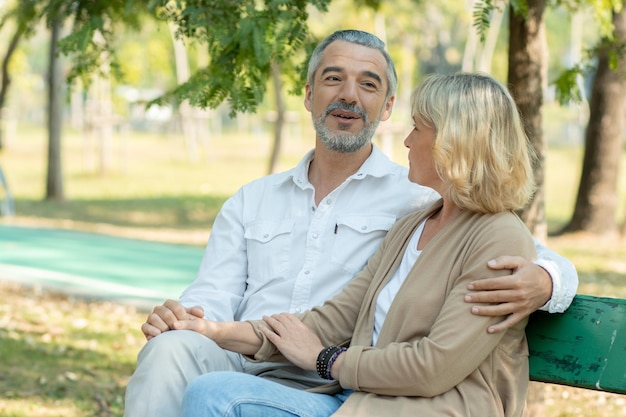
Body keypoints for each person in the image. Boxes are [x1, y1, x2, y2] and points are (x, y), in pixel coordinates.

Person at [123, 30, 577, 417]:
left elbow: (520, 253)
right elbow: (287, 309)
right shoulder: (412, 218)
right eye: (333, 78)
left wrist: (547, 279)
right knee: (170, 350)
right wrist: (198, 324)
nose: (349, 95)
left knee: (215, 398)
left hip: (351, 384)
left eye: (368, 84)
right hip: (275, 361)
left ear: (388, 106)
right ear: (307, 93)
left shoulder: (420, 196)